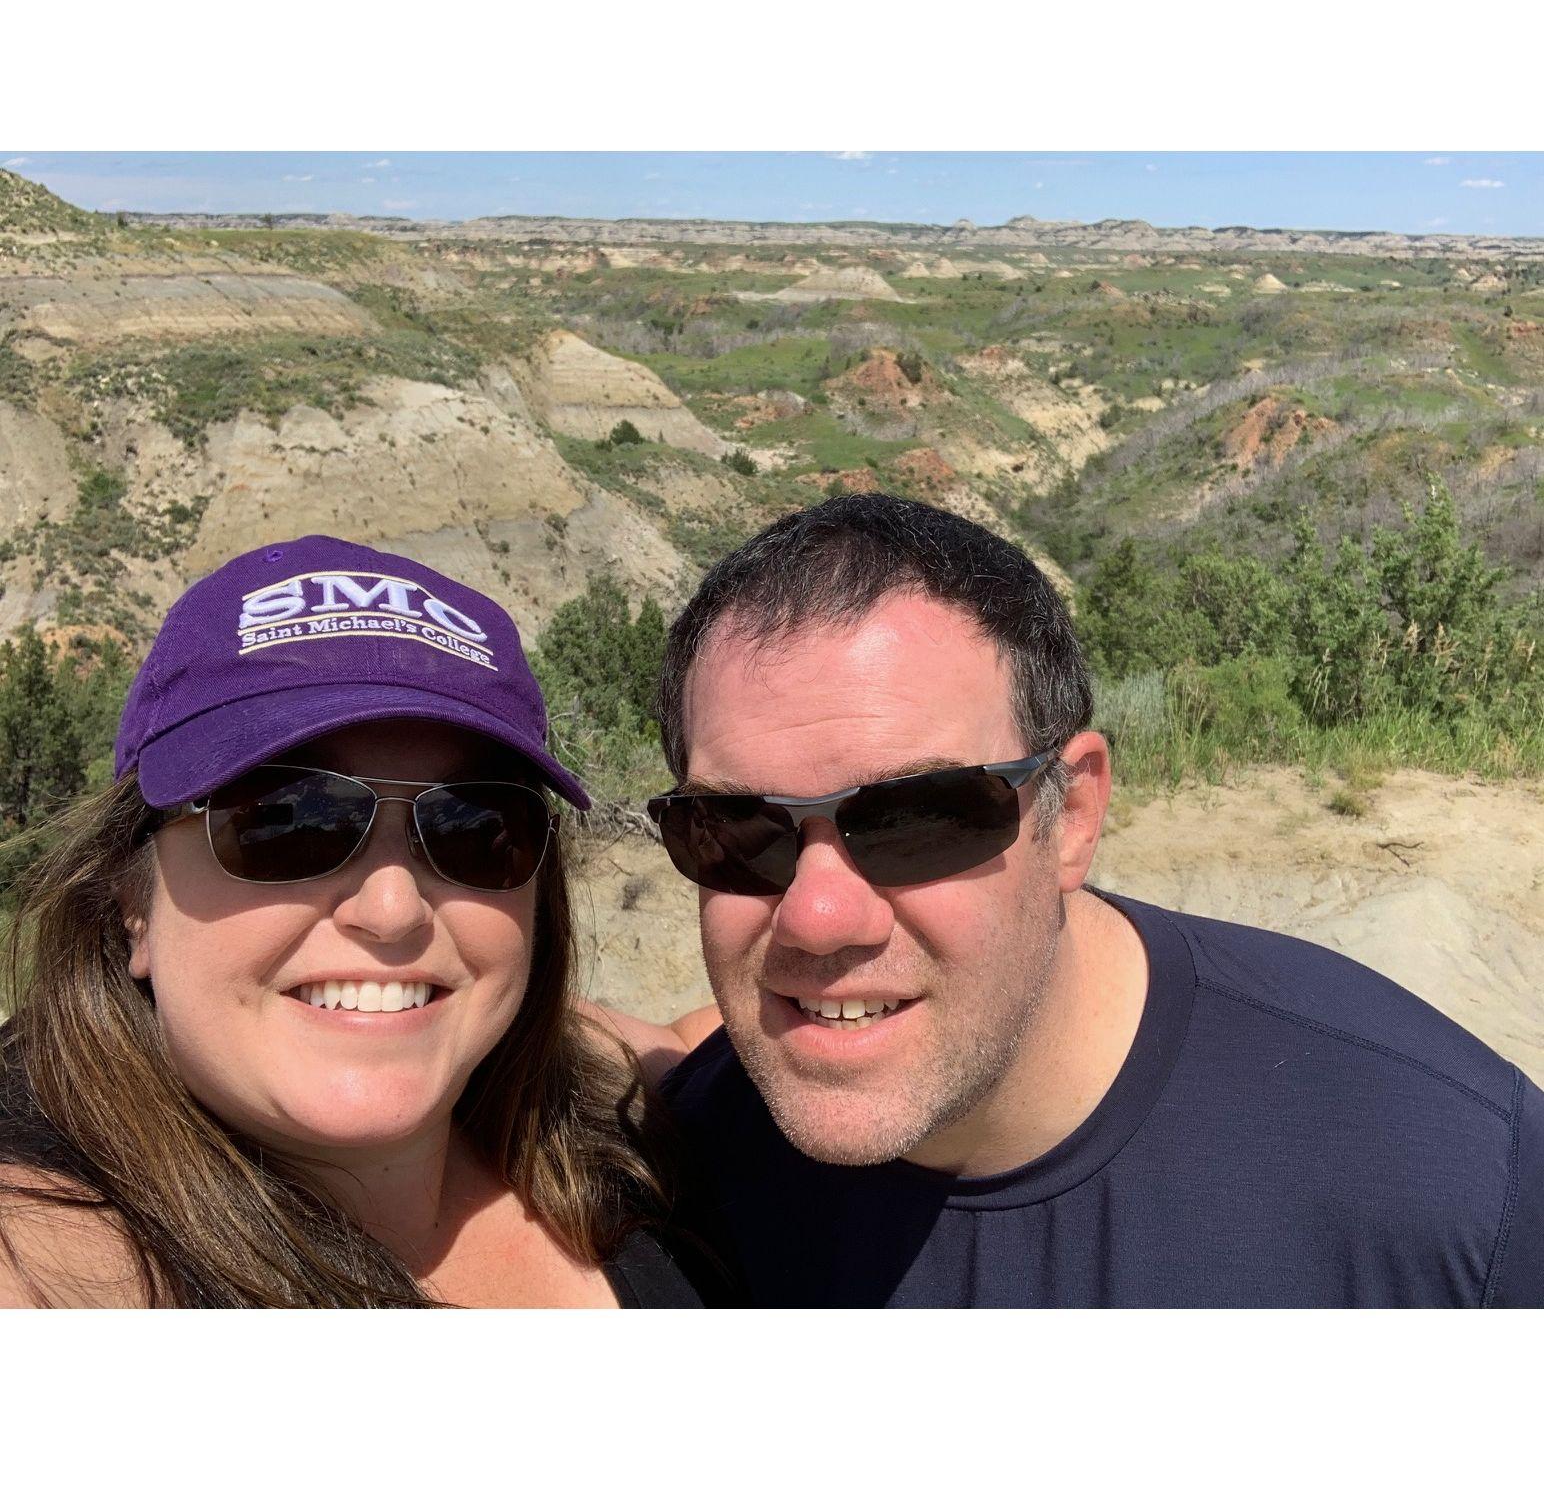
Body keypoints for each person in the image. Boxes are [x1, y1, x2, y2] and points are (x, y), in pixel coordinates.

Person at [647, 493, 1544, 1307]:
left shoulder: (1453, 1184)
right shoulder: (667, 1187)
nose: (817, 916)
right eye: (735, 830)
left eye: (915, 820)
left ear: (1072, 814)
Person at [0, 535, 706, 1308]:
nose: (393, 908)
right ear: (133, 901)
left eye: (475, 827)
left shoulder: (593, 1106)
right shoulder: (53, 1258)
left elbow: (680, 1040)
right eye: (287, 821)